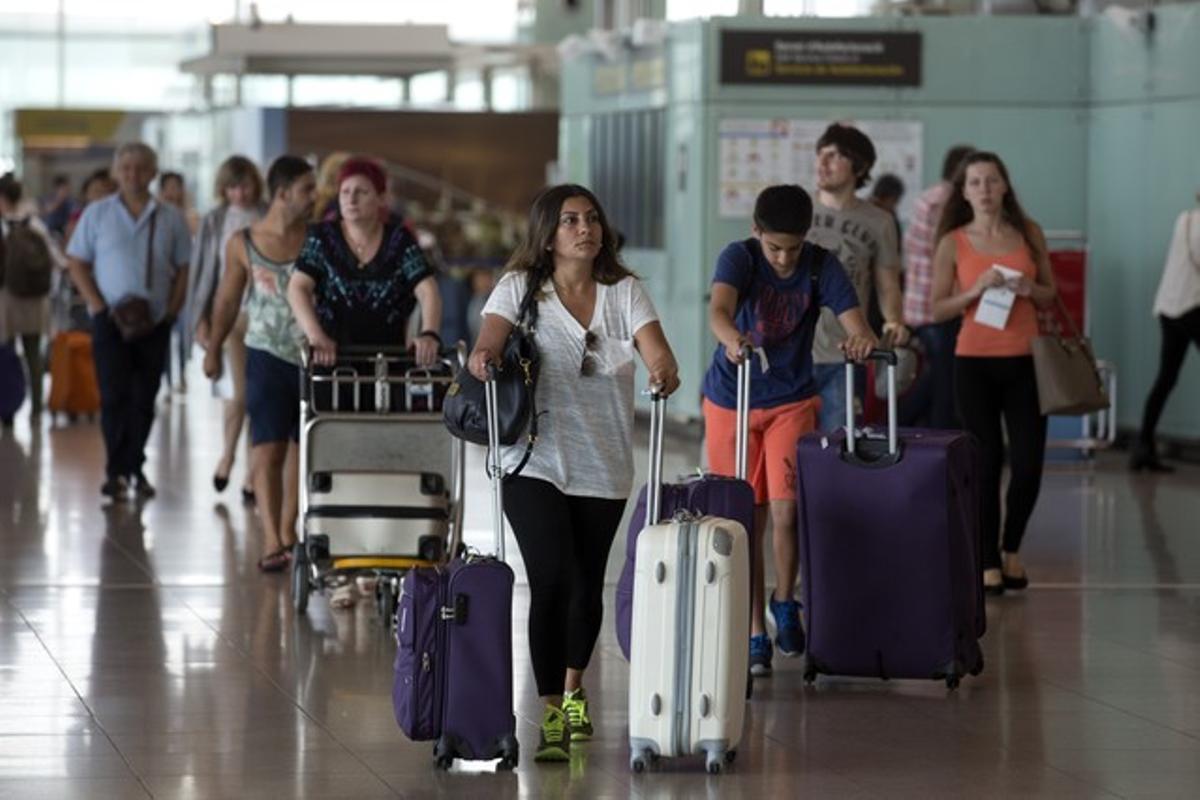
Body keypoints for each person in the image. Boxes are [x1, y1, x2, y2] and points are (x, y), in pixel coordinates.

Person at [469, 184, 678, 762]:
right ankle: (552, 717)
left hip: (604, 461)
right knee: (553, 578)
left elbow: (657, 352)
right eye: (569, 221)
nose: (585, 229)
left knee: (586, 588)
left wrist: (662, 371)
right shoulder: (521, 289)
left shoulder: (625, 293)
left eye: (591, 219)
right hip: (532, 458)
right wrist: (483, 358)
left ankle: (575, 687)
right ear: (548, 234)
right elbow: (487, 342)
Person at [702, 184, 875, 677]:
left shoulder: (821, 265)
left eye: (791, 249)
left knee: (786, 511)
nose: (782, 259)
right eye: (774, 247)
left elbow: (855, 322)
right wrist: (733, 338)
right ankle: (756, 630)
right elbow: (718, 309)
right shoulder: (739, 258)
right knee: (746, 517)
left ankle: (785, 601)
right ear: (756, 233)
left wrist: (860, 339)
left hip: (790, 400)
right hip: (730, 401)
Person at [930, 151, 1057, 595]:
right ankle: (985, 560)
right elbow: (936, 307)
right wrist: (974, 290)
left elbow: (1050, 295)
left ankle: (1012, 550)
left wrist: (1029, 287)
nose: (984, 189)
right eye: (975, 182)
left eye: (991, 180)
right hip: (974, 362)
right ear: (964, 192)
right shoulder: (953, 242)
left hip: (1026, 361)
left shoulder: (1029, 234)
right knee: (985, 462)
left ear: (1005, 186)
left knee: (1028, 462)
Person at [204, 156, 315, 571]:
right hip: (265, 354)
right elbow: (228, 299)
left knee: (301, 449)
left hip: (309, 357)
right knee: (266, 447)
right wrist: (214, 348)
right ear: (282, 193)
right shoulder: (243, 242)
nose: (314, 196)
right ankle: (271, 538)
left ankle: (288, 530)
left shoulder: (317, 240)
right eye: (307, 189)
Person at [65, 142, 191, 501]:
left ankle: (133, 465)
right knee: (113, 395)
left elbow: (184, 267)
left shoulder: (170, 217)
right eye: (126, 168)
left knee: (144, 397)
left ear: (153, 172)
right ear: (117, 172)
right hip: (109, 320)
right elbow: (76, 261)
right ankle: (118, 470)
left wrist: (172, 308)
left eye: (140, 168)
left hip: (154, 321)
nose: (133, 175)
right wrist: (97, 305)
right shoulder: (98, 214)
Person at [288, 156, 441, 369]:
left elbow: (427, 289)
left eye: (362, 192)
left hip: (388, 362)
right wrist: (315, 336)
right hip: (331, 359)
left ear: (381, 198)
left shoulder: (399, 239)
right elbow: (298, 287)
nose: (351, 199)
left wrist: (429, 333)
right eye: (345, 192)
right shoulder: (322, 236)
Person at [806, 123, 909, 432]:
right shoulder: (798, 209)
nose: (822, 163)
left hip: (847, 353)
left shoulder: (879, 221)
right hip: (793, 352)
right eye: (820, 154)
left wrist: (894, 321)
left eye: (834, 155)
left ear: (859, 166)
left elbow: (887, 283)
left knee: (840, 445)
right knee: (790, 449)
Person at [184, 156, 266, 501]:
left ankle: (248, 469)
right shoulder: (215, 220)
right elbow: (203, 270)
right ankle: (229, 457)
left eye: (245, 184)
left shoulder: (266, 215)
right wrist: (199, 318)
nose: (240, 193)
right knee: (238, 395)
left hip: (263, 315)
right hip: (227, 313)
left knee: (259, 397)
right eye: (233, 186)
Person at [903, 145, 974, 429]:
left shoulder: (927, 197)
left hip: (918, 303)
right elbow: (947, 256)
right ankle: (935, 442)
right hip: (939, 306)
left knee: (938, 378)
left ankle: (896, 428)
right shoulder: (948, 203)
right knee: (944, 383)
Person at [1130, 196, 1200, 472]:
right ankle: (1143, 446)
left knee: (1166, 378)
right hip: (1192, 306)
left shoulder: (1184, 218)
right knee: (1166, 378)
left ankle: (1143, 446)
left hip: (1169, 306)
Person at [1, 174, 67, 424]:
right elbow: (56, 259)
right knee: (33, 356)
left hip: (6, 299)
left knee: (4, 355)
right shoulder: (35, 224)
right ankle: (37, 408)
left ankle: (6, 409)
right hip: (35, 300)